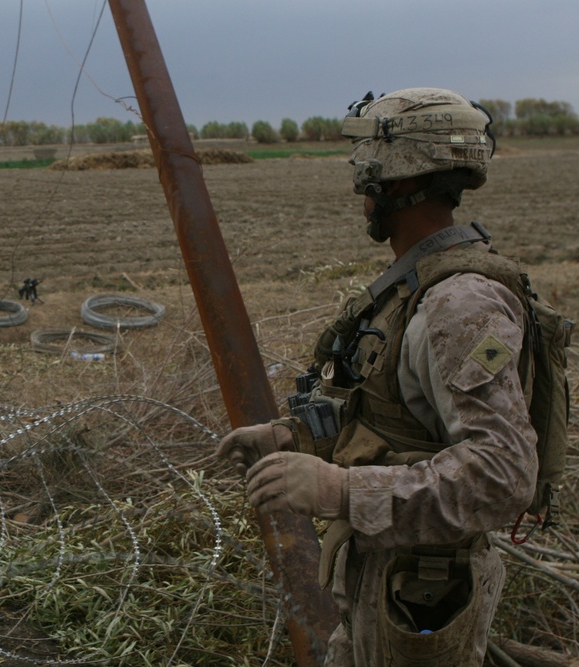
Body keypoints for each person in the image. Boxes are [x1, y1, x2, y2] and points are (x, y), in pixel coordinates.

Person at [217, 88, 538, 665]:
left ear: (394, 179)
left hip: (423, 594)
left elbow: (501, 475)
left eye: (366, 161)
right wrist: (293, 438)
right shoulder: (414, 286)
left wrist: (339, 489)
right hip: (384, 575)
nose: (358, 180)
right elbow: (398, 418)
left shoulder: (461, 305)